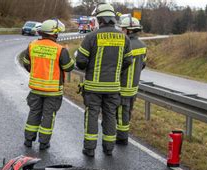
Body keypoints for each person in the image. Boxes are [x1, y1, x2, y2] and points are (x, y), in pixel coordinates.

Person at [75, 3, 133, 157]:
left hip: (93, 87)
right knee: (110, 116)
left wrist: (89, 66)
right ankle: (108, 148)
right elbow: (128, 61)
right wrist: (116, 69)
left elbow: (80, 61)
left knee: (92, 115)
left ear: (99, 19)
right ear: (113, 19)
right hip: (113, 87)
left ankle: (89, 149)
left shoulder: (91, 36)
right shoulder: (124, 38)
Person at [22, 19, 75, 150]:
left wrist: (34, 72)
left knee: (34, 113)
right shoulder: (60, 49)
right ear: (54, 33)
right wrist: (68, 54)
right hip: (53, 91)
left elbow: (26, 62)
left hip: (35, 89)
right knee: (48, 116)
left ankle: (28, 140)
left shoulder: (32, 45)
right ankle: (43, 143)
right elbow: (68, 67)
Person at [116, 16, 147, 145]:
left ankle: (122, 138)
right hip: (134, 86)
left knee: (121, 112)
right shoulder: (143, 45)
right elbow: (143, 65)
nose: (121, 31)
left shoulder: (124, 45)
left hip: (122, 86)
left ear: (129, 30)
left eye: (123, 29)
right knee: (127, 111)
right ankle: (123, 134)